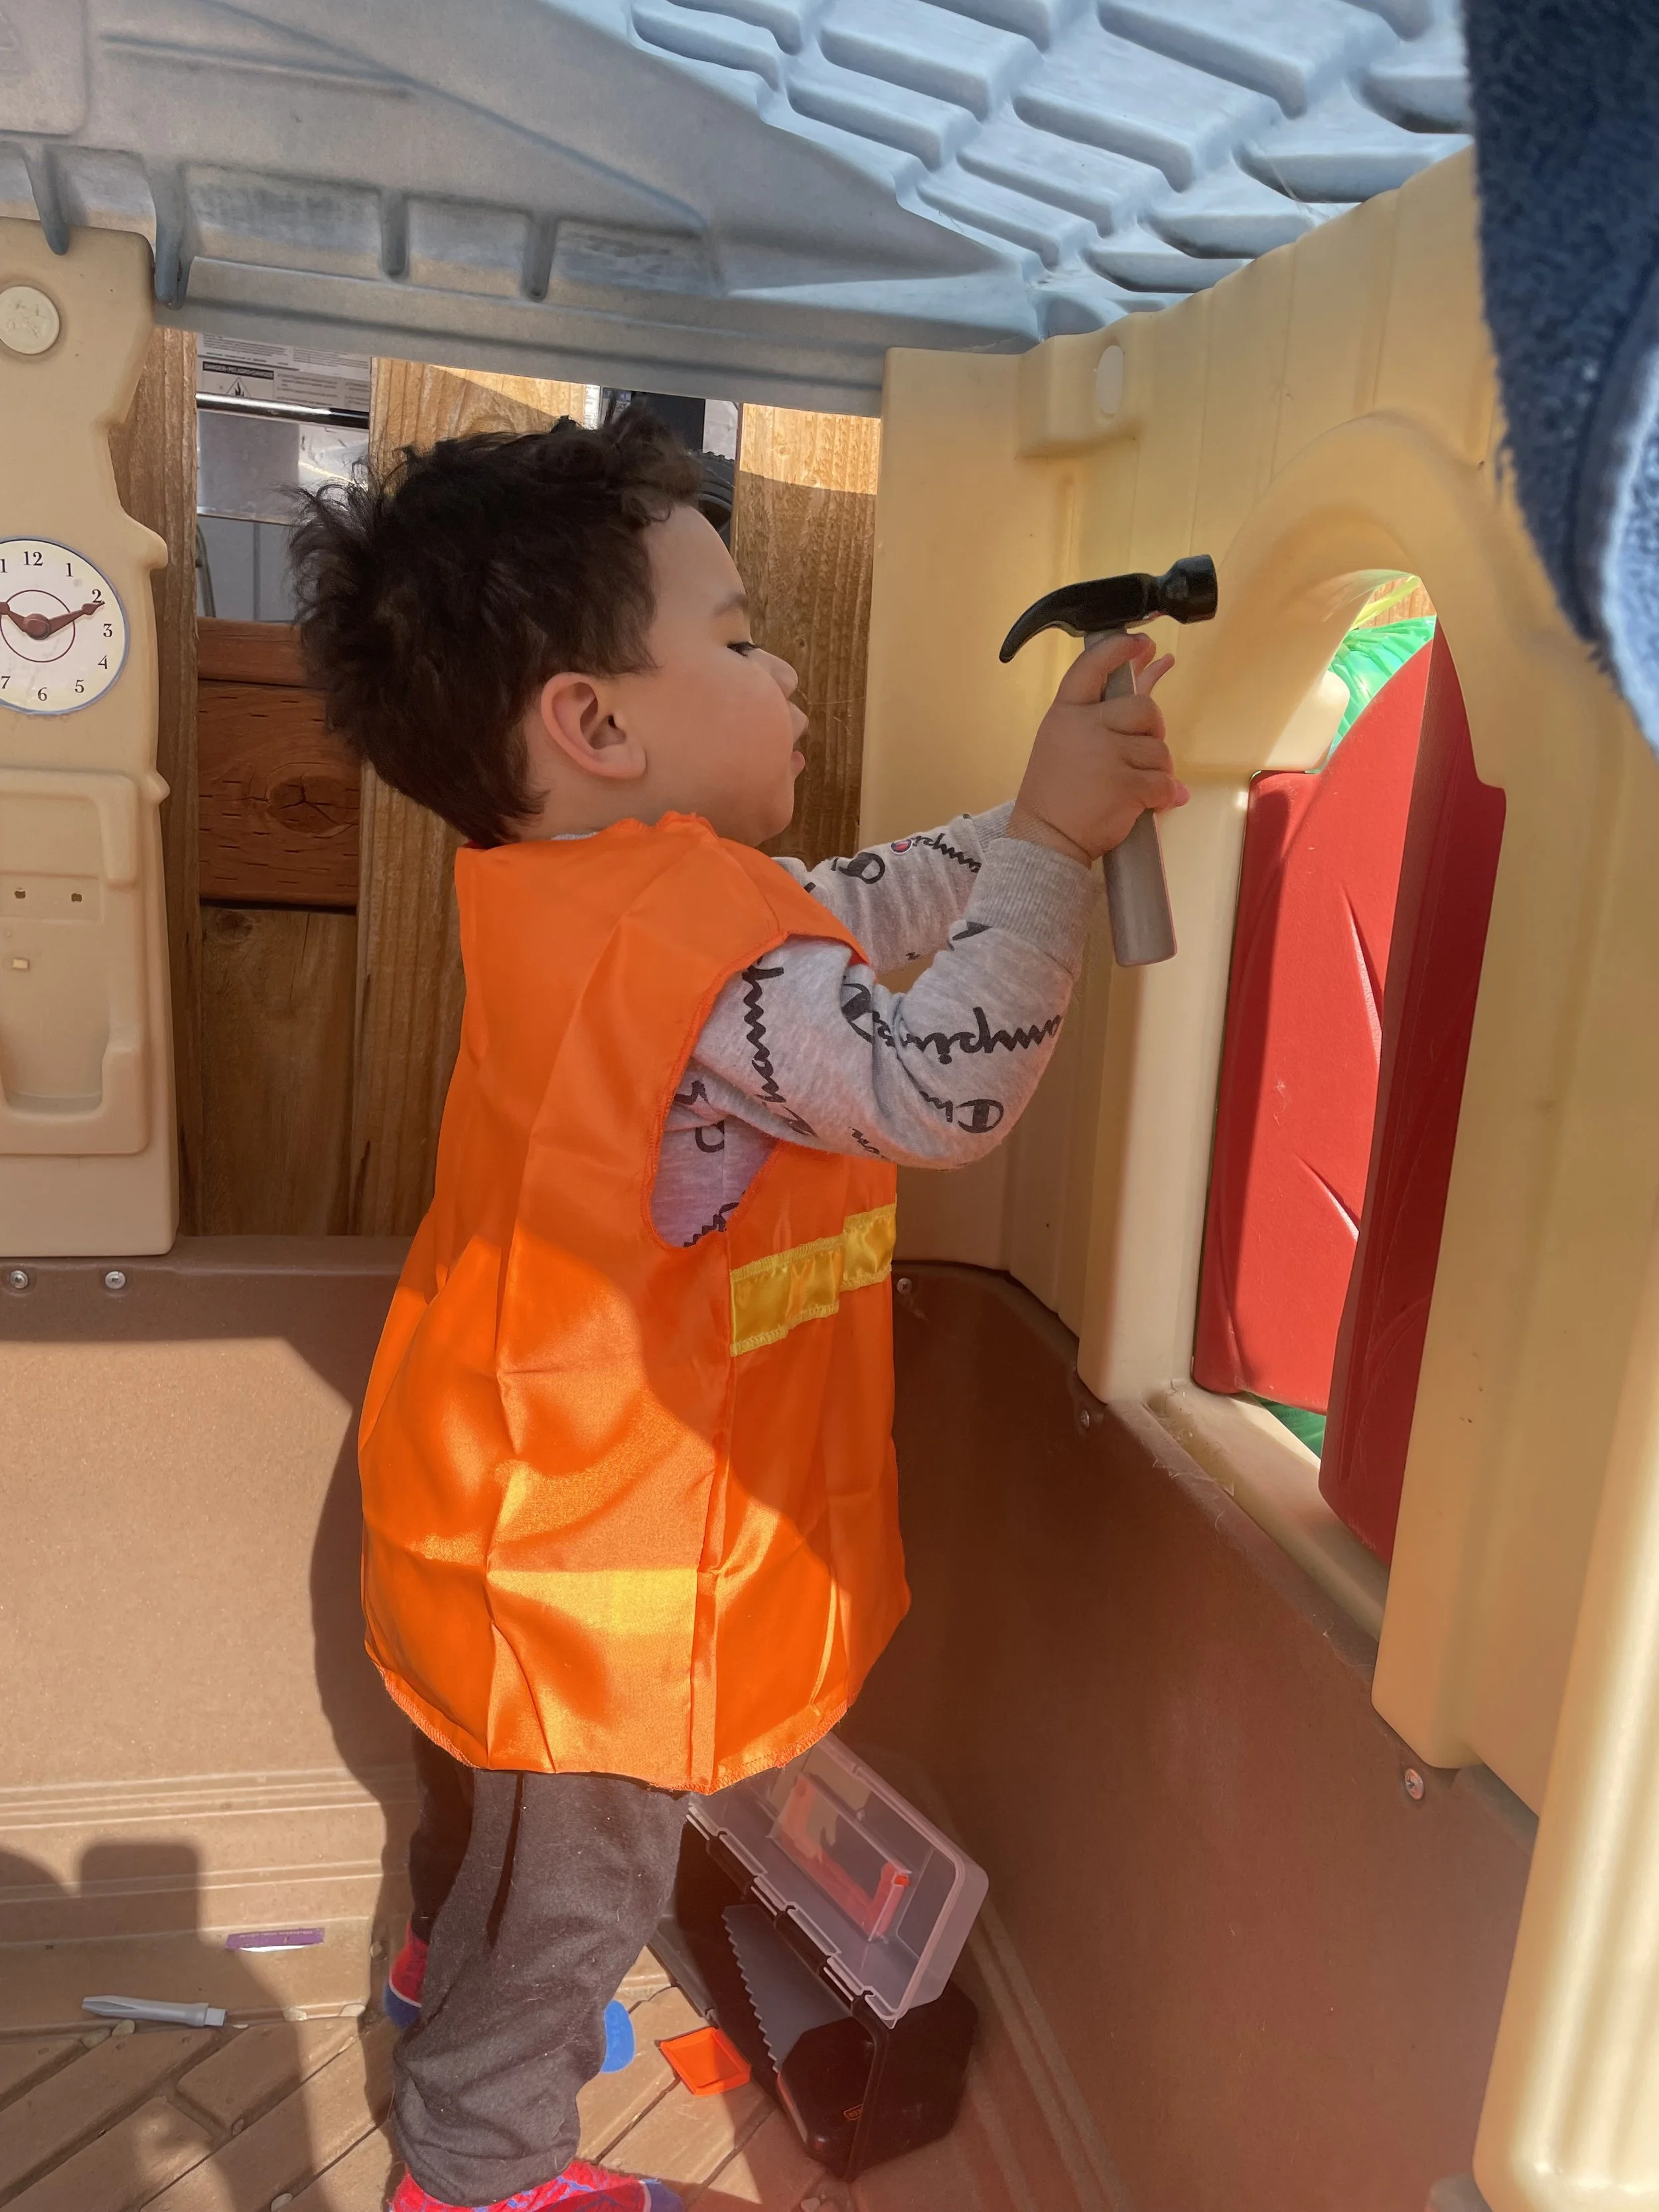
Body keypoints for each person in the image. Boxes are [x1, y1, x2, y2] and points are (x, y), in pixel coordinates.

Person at [292, 405, 1184, 2212]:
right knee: (578, 1896)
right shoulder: (704, 973)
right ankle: (473, 2168)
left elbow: (852, 903)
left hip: (500, 1535)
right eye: (741, 635)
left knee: (497, 1838)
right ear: (595, 723)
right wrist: (1056, 861)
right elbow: (939, 1087)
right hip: (585, 1593)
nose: (783, 672)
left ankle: (438, 1979)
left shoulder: (604, 898)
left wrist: (1022, 821)